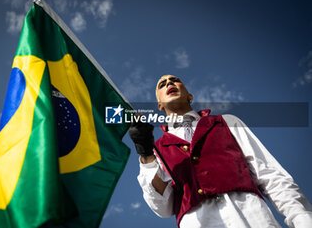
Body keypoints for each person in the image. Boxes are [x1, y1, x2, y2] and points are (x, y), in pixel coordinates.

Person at [129, 75, 312, 228]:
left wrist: (302, 218)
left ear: (189, 95)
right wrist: (146, 154)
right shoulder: (157, 149)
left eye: (174, 80)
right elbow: (162, 208)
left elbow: (270, 175)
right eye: (162, 84)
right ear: (159, 104)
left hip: (252, 219)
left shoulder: (226, 122)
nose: (169, 83)